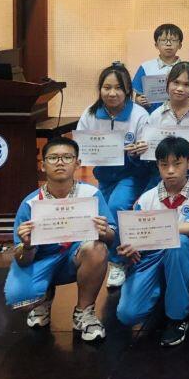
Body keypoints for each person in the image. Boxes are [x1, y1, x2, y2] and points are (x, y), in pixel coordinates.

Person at [4, 137, 115, 342]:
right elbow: (22, 259)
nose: (60, 162)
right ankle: (43, 300)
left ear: (77, 163)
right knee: (20, 298)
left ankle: (84, 312)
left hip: (75, 258)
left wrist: (105, 231)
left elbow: (111, 238)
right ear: (43, 165)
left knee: (98, 249)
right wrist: (27, 246)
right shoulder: (30, 203)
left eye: (67, 157)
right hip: (43, 261)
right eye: (53, 158)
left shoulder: (91, 194)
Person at [116, 137, 189, 347]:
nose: (170, 170)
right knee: (127, 314)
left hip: (185, 253)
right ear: (158, 166)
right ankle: (167, 288)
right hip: (150, 256)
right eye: (163, 165)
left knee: (179, 244)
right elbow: (135, 238)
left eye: (177, 164)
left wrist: (155, 230)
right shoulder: (146, 198)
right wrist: (128, 248)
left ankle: (178, 318)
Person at [75, 63, 150, 288]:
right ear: (100, 89)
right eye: (107, 87)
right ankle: (116, 253)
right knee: (105, 214)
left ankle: (118, 263)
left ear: (127, 90)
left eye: (118, 88)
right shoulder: (90, 114)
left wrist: (138, 151)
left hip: (132, 174)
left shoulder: (139, 115)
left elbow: (147, 151)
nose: (112, 93)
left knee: (117, 206)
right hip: (104, 175)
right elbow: (80, 147)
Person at [147, 62, 189, 181]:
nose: (180, 89)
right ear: (167, 82)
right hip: (161, 177)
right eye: (176, 82)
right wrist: (142, 149)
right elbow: (149, 157)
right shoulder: (156, 115)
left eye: (186, 84)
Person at [132, 23, 186, 114]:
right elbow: (137, 97)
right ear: (156, 45)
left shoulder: (186, 68)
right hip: (152, 117)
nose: (168, 44)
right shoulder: (145, 67)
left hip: (180, 117)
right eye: (164, 40)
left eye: (173, 40)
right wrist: (139, 100)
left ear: (180, 45)